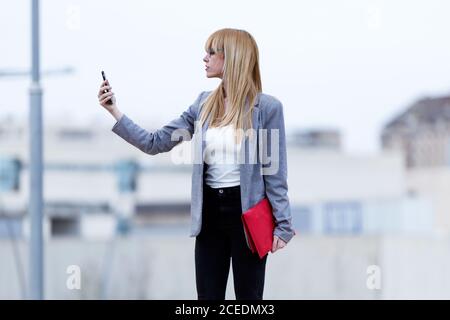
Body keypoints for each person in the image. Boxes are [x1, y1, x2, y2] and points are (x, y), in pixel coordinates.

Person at [97, 28, 295, 300]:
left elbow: (274, 172)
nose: (205, 58)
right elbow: (155, 142)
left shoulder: (268, 108)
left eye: (212, 52)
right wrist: (114, 110)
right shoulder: (203, 104)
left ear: (233, 57)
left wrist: (283, 225)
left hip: (247, 217)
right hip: (209, 215)